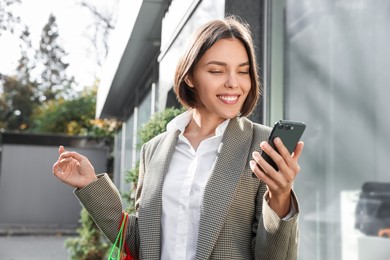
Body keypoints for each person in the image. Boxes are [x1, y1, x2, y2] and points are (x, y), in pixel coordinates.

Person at [53, 15, 304, 260]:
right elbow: (141, 242)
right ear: (190, 77)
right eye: (217, 70)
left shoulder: (260, 145)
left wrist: (280, 197)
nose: (233, 83)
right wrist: (89, 185)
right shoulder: (154, 150)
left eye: (243, 71)